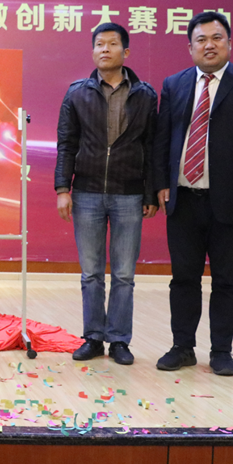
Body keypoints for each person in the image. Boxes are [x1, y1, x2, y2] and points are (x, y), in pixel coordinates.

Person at [154, 11, 233, 376]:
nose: (209, 45)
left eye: (216, 38)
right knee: (183, 278)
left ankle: (222, 351)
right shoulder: (174, 84)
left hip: (232, 201)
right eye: (201, 39)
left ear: (229, 43)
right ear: (190, 47)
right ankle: (182, 347)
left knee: (227, 279)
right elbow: (163, 139)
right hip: (183, 199)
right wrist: (160, 184)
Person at [55, 23, 158, 365]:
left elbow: (151, 147)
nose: (105, 49)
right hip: (86, 193)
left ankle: (119, 341)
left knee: (124, 274)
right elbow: (66, 144)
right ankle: (93, 337)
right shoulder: (77, 93)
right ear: (93, 51)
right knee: (91, 273)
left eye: (112, 44)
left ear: (125, 52)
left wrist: (149, 193)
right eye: (99, 44)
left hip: (129, 195)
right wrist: (62, 188)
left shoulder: (145, 95)